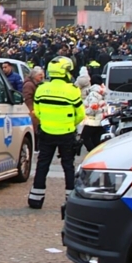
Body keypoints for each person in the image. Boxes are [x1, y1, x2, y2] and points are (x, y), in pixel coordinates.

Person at [28, 57, 83, 212]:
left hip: (46, 132)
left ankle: (36, 198)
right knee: (68, 166)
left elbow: (37, 111)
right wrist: (69, 124)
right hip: (66, 133)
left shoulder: (41, 88)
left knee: (42, 164)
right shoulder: (72, 90)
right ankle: (70, 199)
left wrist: (47, 121)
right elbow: (80, 114)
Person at [80, 84, 107, 153]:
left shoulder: (93, 94)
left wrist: (85, 111)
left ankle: (93, 153)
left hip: (92, 120)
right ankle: (98, 152)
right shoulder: (101, 93)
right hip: (100, 119)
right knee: (96, 138)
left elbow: (93, 108)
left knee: (84, 137)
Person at [22, 66, 44, 144]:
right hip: (32, 111)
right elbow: (28, 99)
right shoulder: (29, 85)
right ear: (34, 75)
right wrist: (32, 111)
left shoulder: (35, 84)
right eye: (40, 75)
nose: (42, 77)